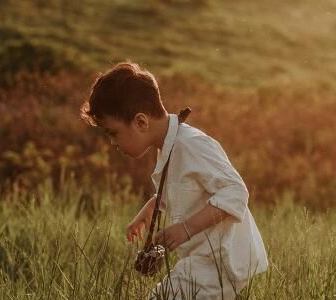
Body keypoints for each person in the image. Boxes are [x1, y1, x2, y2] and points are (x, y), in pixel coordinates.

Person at [80, 62, 267, 299]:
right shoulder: (169, 145)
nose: (113, 143)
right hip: (202, 260)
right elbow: (185, 187)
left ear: (141, 122)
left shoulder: (191, 145)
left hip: (221, 261)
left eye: (113, 133)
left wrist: (187, 228)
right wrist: (153, 206)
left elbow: (235, 193)